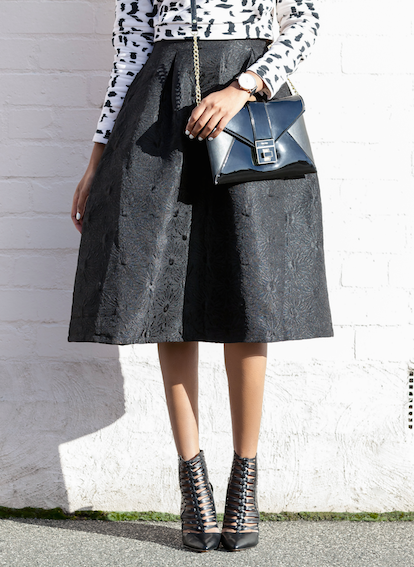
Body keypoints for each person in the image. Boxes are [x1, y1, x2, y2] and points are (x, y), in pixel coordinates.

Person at [68, 0, 332, 553]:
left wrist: (245, 86)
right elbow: (130, 53)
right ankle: (194, 486)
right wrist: (96, 159)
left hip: (249, 115)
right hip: (159, 116)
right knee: (169, 296)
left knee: (248, 291)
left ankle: (245, 482)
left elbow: (305, 21)